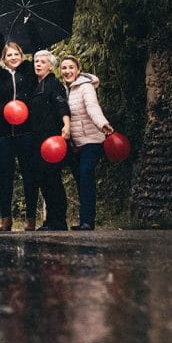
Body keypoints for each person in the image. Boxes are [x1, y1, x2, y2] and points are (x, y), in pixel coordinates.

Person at [61, 55, 114, 231]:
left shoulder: (86, 87)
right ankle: (84, 219)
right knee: (80, 180)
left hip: (92, 140)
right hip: (76, 143)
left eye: (71, 67)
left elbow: (92, 107)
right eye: (64, 68)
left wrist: (102, 123)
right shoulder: (65, 90)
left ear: (78, 70)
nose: (67, 71)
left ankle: (87, 221)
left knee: (85, 175)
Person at [0, 41, 36, 231]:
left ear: (21, 56)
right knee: (5, 175)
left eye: (16, 54)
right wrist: (6, 110)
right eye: (9, 55)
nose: (13, 58)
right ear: (4, 58)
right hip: (3, 132)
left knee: (29, 174)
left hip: (26, 131)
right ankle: (6, 218)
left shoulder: (29, 72)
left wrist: (23, 106)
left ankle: (30, 218)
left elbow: (34, 95)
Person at [28, 50, 72, 231]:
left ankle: (58, 220)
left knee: (53, 179)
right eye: (36, 61)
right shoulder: (37, 85)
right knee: (44, 179)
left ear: (50, 66)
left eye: (42, 62)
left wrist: (66, 125)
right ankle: (51, 220)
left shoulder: (53, 84)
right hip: (38, 140)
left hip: (52, 139)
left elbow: (62, 105)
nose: (38, 64)